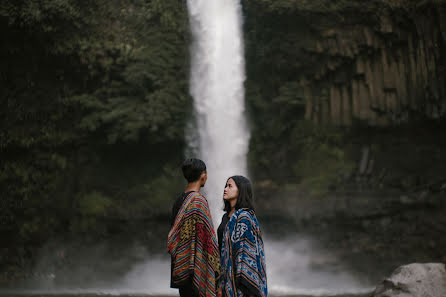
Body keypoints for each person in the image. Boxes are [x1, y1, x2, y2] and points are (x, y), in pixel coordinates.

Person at [168, 158, 220, 297]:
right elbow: (207, 236)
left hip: (180, 266)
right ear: (203, 176)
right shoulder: (199, 201)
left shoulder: (178, 201)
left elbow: (174, 236)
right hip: (197, 268)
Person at [218, 176, 267, 297]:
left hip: (241, 280)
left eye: (230, 186)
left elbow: (246, 251)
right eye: (225, 185)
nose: (225, 189)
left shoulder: (244, 217)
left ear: (241, 190)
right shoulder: (226, 217)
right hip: (224, 277)